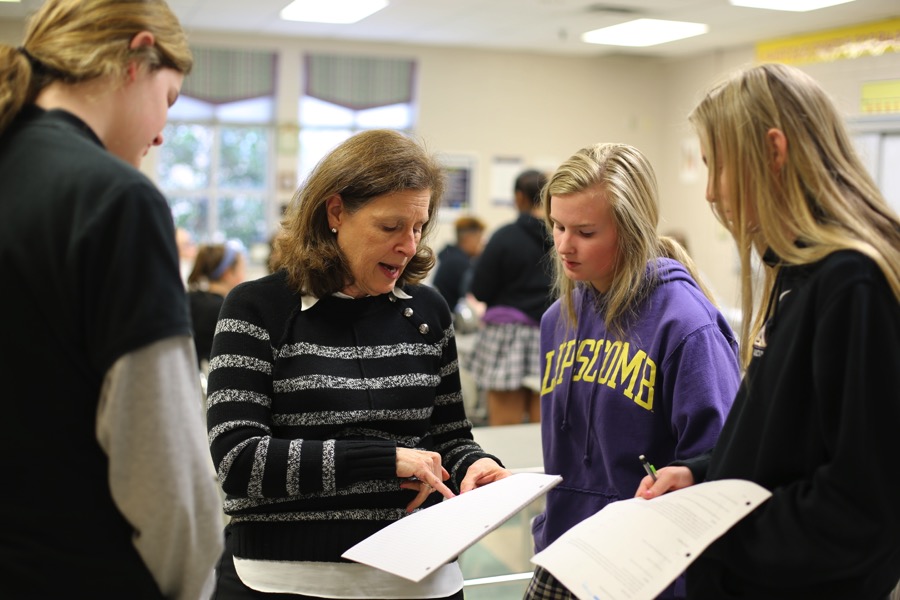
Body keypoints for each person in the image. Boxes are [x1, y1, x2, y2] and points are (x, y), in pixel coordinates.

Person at [206, 128, 512, 599]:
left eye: (418, 228)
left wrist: (477, 465)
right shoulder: (258, 309)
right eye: (390, 227)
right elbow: (238, 459)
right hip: (286, 580)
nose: (408, 246)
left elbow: (449, 437)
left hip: (420, 576)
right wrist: (382, 461)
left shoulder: (427, 313)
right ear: (335, 213)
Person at [635, 63, 900, 599]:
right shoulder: (798, 274)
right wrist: (704, 477)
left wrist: (720, 536)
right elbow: (791, 444)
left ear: (774, 152)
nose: (710, 192)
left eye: (718, 167)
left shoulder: (851, 282)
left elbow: (861, 502)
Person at [0, 1, 224, 599]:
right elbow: (162, 466)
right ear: (137, 56)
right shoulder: (115, 200)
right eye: (170, 99)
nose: (159, 132)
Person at [525, 142, 742, 600]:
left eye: (585, 231)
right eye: (557, 226)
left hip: (647, 570)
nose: (564, 245)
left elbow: (719, 460)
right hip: (565, 549)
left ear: (631, 229)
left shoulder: (685, 324)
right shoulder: (558, 319)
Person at [468, 169, 553, 425]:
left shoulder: (504, 237)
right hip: (550, 334)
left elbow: (480, 290)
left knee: (506, 429)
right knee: (543, 431)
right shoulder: (560, 237)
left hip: (506, 336)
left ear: (519, 197)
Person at [187, 239, 248, 368]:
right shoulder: (225, 310)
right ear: (227, 273)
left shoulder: (190, 298)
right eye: (241, 269)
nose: (244, 276)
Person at [432, 215, 485, 313]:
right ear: (469, 238)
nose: (482, 243)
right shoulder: (459, 263)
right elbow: (471, 297)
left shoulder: (449, 257)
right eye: (479, 238)